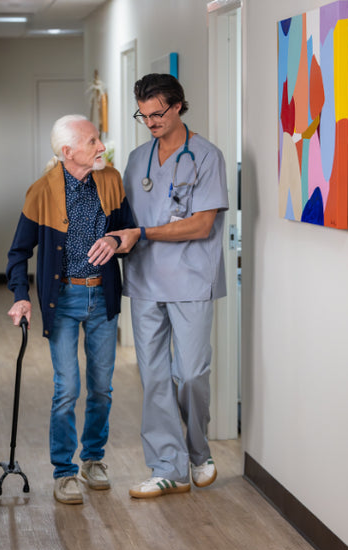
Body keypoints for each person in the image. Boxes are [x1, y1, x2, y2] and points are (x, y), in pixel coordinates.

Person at [108, 73, 229, 499]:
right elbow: (125, 216)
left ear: (178, 106)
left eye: (157, 113)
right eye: (143, 115)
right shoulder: (138, 159)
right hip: (143, 280)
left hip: (191, 279)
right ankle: (168, 468)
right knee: (155, 377)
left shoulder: (206, 156)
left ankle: (197, 449)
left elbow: (201, 223)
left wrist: (144, 234)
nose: (151, 122)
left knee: (191, 373)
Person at [6, 114, 135, 505]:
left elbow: (128, 232)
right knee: (67, 389)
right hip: (63, 302)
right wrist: (20, 295)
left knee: (102, 388)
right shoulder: (41, 191)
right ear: (68, 152)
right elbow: (18, 253)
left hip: (102, 298)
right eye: (93, 141)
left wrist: (114, 239)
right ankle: (64, 471)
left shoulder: (110, 180)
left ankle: (93, 459)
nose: (101, 147)